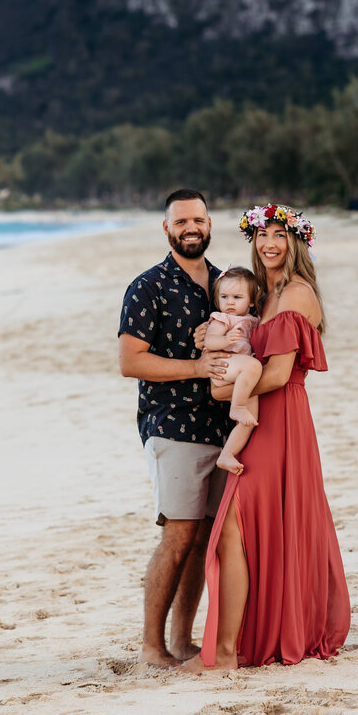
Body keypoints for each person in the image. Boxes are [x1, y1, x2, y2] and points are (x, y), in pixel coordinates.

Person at [182, 203, 352, 672]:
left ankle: (228, 651)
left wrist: (222, 387)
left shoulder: (296, 294)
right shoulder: (261, 297)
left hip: (281, 422)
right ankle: (234, 645)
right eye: (261, 236)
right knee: (240, 532)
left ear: (296, 241)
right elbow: (236, 347)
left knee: (233, 528)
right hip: (259, 419)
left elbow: (277, 374)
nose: (269, 244)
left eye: (279, 235)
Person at [118, 188, 233, 668]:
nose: (191, 228)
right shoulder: (149, 286)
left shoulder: (227, 282)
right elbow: (130, 362)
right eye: (181, 221)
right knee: (179, 533)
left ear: (209, 225)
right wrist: (196, 366)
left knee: (205, 536)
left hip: (224, 429)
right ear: (167, 229)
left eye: (199, 220)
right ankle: (151, 647)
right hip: (173, 426)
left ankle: (182, 642)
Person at [202, 266, 263, 475]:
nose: (229, 302)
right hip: (224, 367)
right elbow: (210, 341)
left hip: (241, 376)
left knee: (251, 419)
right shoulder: (222, 318)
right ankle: (236, 407)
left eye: (237, 297)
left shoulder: (251, 320)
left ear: (252, 301)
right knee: (254, 366)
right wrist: (224, 340)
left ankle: (227, 455)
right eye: (224, 296)